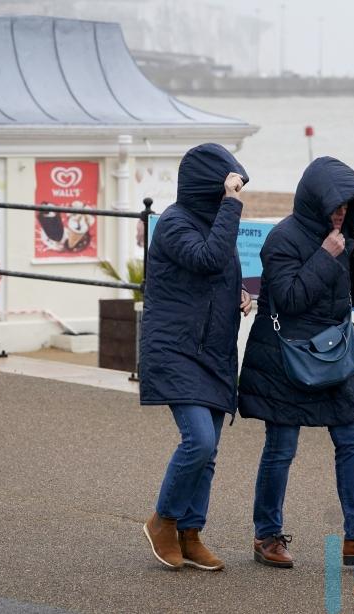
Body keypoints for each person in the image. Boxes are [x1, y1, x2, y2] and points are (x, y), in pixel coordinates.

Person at [238, 156, 354, 568]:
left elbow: (353, 297)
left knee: (352, 440)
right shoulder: (282, 239)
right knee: (281, 447)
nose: (341, 214)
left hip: (335, 353)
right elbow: (290, 299)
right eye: (335, 206)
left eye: (346, 207)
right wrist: (325, 255)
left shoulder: (344, 237)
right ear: (315, 201)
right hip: (287, 357)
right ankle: (267, 536)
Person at [140, 143, 252, 571]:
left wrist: (241, 294)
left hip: (214, 350)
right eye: (228, 186)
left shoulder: (214, 222)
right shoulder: (173, 223)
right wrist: (231, 205)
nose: (233, 193)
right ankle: (163, 521)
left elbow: (218, 272)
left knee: (210, 452)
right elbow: (207, 260)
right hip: (176, 348)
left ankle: (190, 533)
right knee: (199, 441)